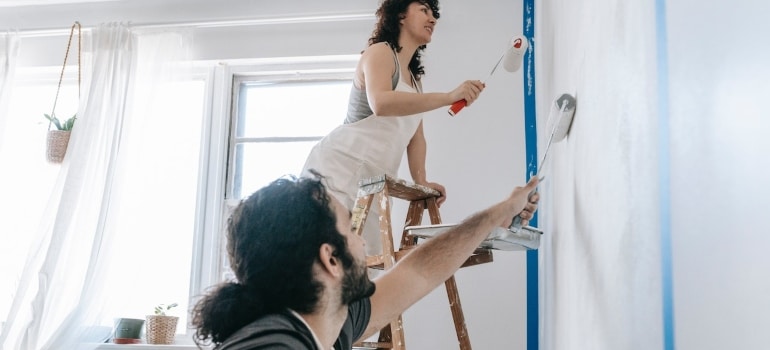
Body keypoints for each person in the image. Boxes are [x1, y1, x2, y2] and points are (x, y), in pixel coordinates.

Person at [191, 173, 540, 350]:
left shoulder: (324, 321)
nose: (362, 241)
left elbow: (418, 271)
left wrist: (498, 214)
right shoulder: (274, 347)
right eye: (351, 230)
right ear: (330, 259)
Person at [301, 0, 486, 255]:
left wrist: (421, 180)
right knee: (327, 255)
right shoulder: (379, 53)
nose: (433, 19)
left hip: (373, 184)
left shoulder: (414, 79)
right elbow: (381, 103)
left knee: (362, 264)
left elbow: (415, 138)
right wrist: (448, 97)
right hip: (339, 170)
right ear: (400, 14)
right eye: (424, 10)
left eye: (434, 14)